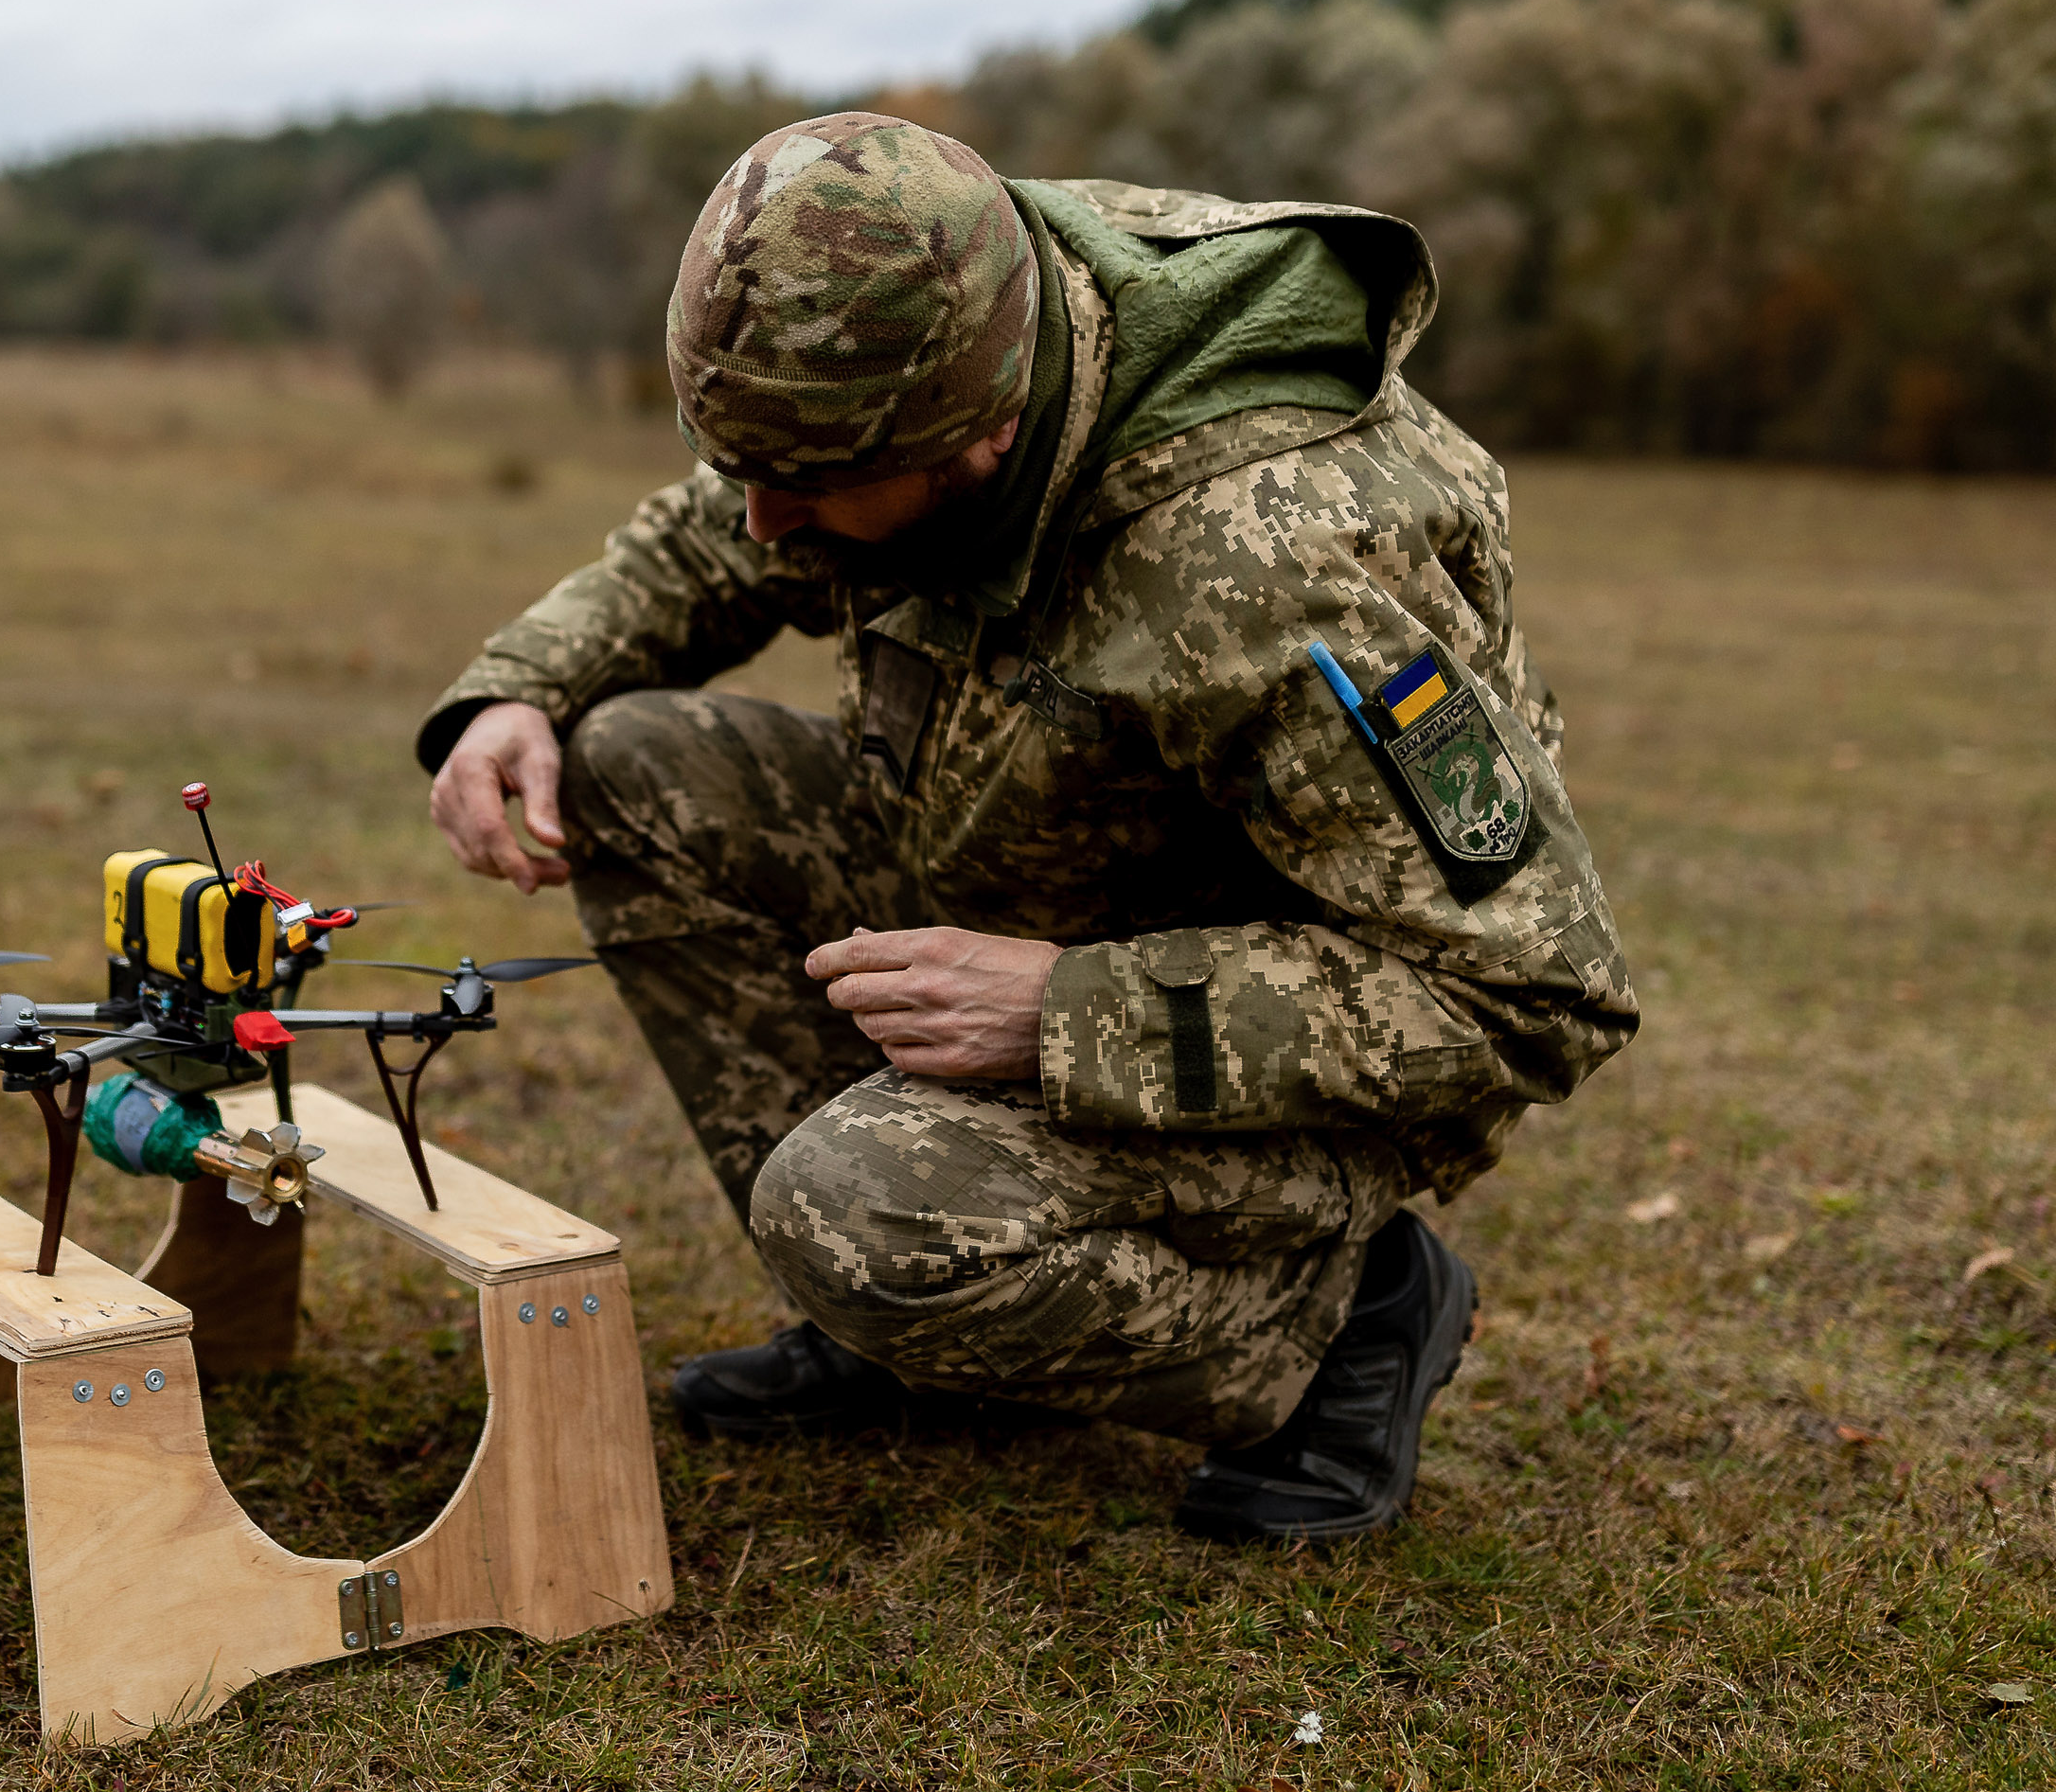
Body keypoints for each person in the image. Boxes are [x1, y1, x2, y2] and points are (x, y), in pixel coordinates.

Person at [416, 114, 1638, 1541]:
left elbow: (1532, 989)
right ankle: (900, 1329)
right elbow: (722, 525)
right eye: (738, 456)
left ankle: (1338, 1318)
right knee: (630, 764)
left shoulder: (1268, 562)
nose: (759, 519)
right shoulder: (946, 308)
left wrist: (1067, 1009)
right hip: (1035, 879)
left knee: (858, 1206)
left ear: (977, 438)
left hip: (1273, 1055)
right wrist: (519, 689)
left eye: (799, 484)